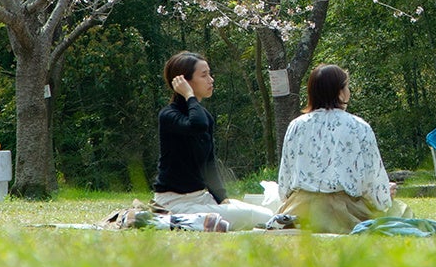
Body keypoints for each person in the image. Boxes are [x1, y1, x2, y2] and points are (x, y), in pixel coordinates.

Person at [277, 64, 410, 233]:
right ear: (340, 92)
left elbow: (285, 182)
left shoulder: (295, 126)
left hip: (299, 210)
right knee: (402, 212)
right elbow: (372, 180)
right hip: (343, 213)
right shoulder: (358, 126)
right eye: (347, 87)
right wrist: (384, 194)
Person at [152, 51, 274, 229]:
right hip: (175, 203)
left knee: (268, 213)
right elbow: (196, 126)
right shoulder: (169, 115)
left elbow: (209, 163)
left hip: (202, 199)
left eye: (209, 74)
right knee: (260, 217)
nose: (211, 80)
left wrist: (223, 199)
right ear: (184, 81)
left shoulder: (204, 116)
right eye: (204, 75)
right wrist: (189, 95)